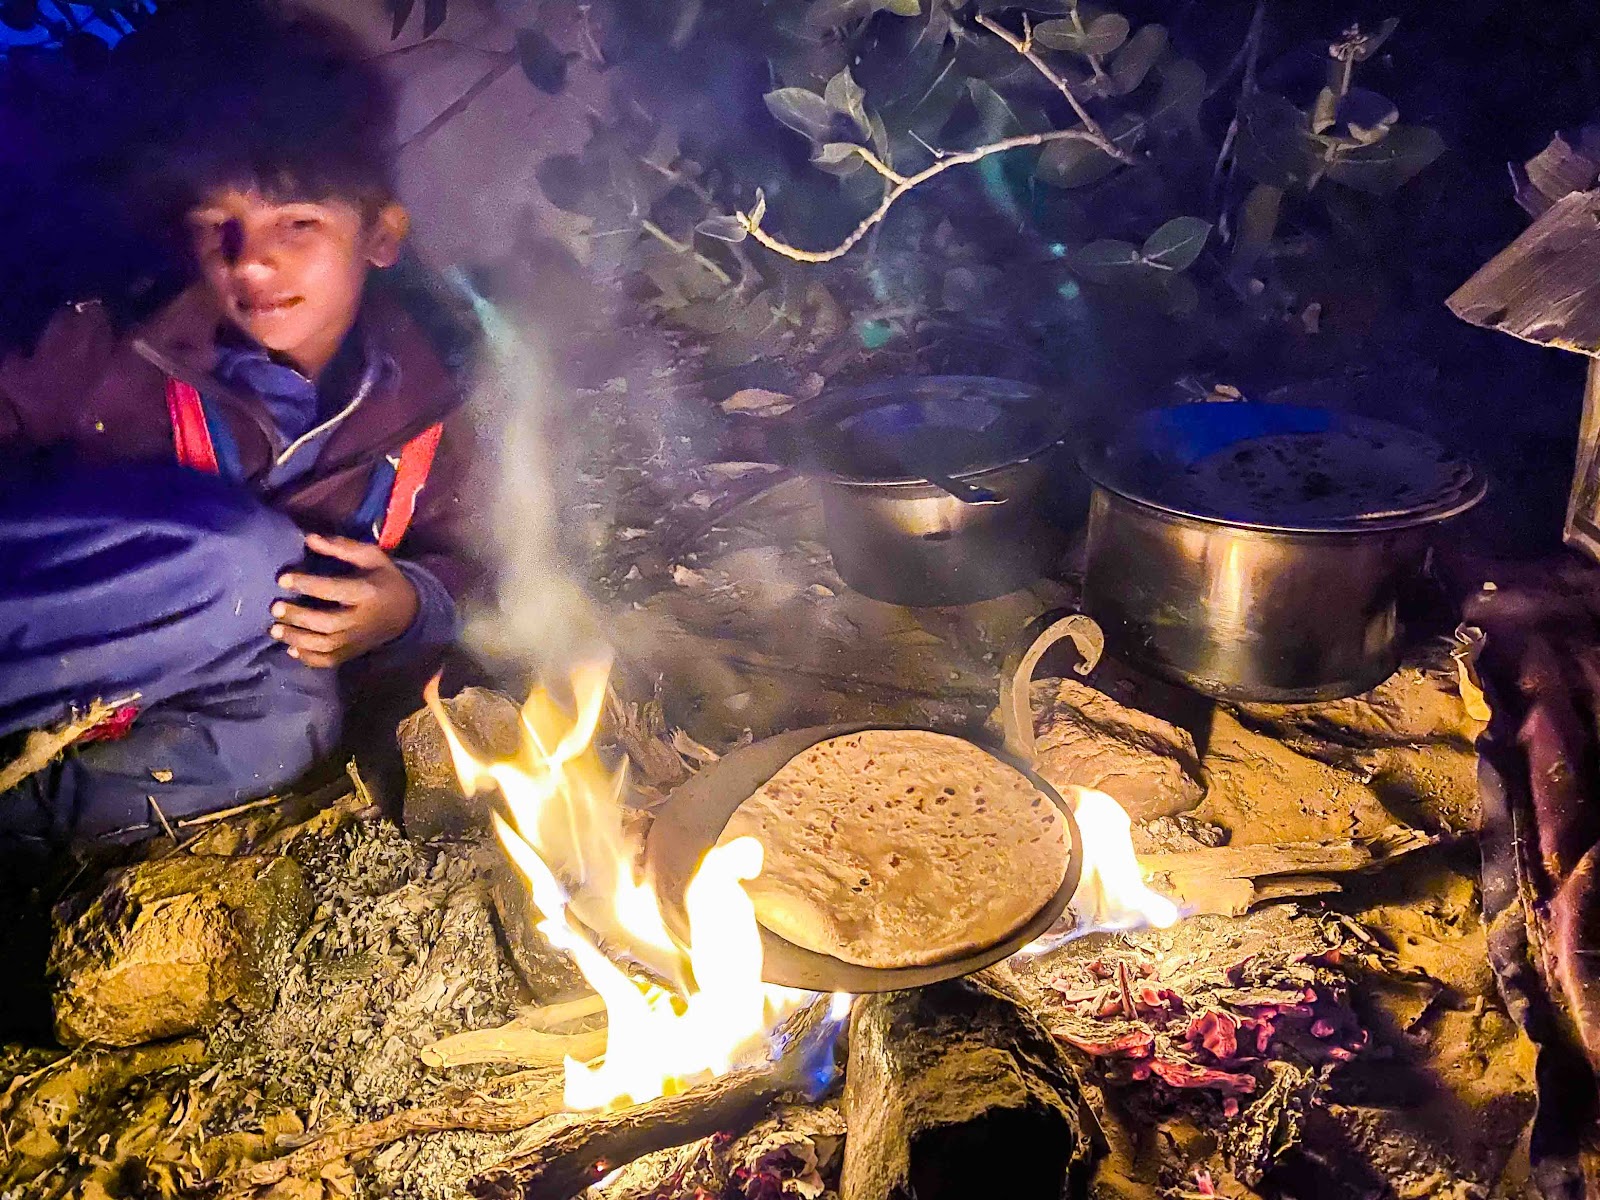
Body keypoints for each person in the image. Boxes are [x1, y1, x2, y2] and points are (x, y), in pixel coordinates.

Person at [0, 4, 481, 843]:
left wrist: (409, 605)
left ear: (380, 234)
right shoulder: (104, 351)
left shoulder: (427, 409)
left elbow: (487, 568)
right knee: (250, 566)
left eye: (297, 224)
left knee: (296, 713)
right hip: (37, 642)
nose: (251, 259)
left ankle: (24, 828)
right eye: (218, 225)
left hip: (158, 695)